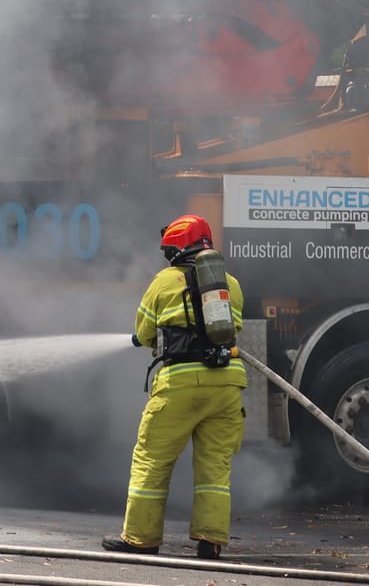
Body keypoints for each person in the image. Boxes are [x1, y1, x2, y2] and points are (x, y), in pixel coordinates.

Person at [101, 213, 245, 559]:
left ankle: (141, 538)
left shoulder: (164, 282)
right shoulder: (230, 284)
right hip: (226, 384)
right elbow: (233, 328)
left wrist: (143, 337)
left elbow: (146, 331)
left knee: (152, 458)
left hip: (180, 383)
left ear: (177, 248)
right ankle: (211, 542)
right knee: (215, 467)